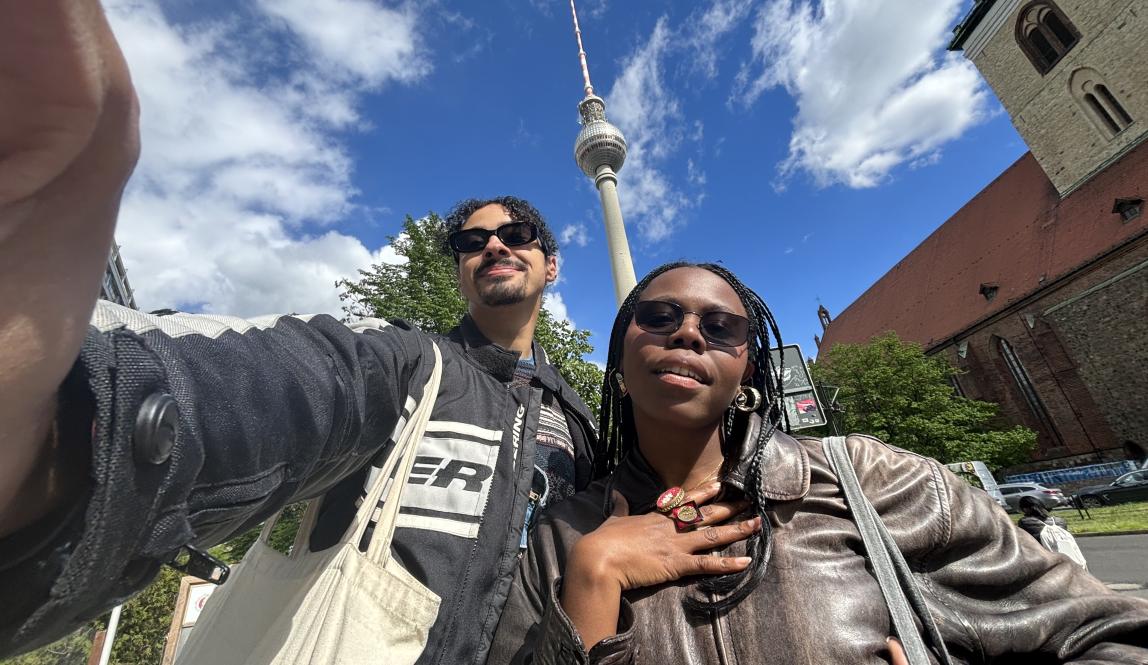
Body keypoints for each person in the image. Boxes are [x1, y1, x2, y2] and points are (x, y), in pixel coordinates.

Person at [0, 4, 604, 662]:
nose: (494, 247)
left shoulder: (576, 423)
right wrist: (73, 426)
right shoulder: (406, 365)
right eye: (472, 240)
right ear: (459, 271)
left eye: (516, 236)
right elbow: (281, 389)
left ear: (551, 264)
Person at [488, 262, 1148, 664]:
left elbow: (1112, 634)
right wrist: (592, 583)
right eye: (657, 317)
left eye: (720, 326)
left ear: (748, 367)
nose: (688, 331)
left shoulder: (872, 482)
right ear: (620, 369)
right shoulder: (560, 540)